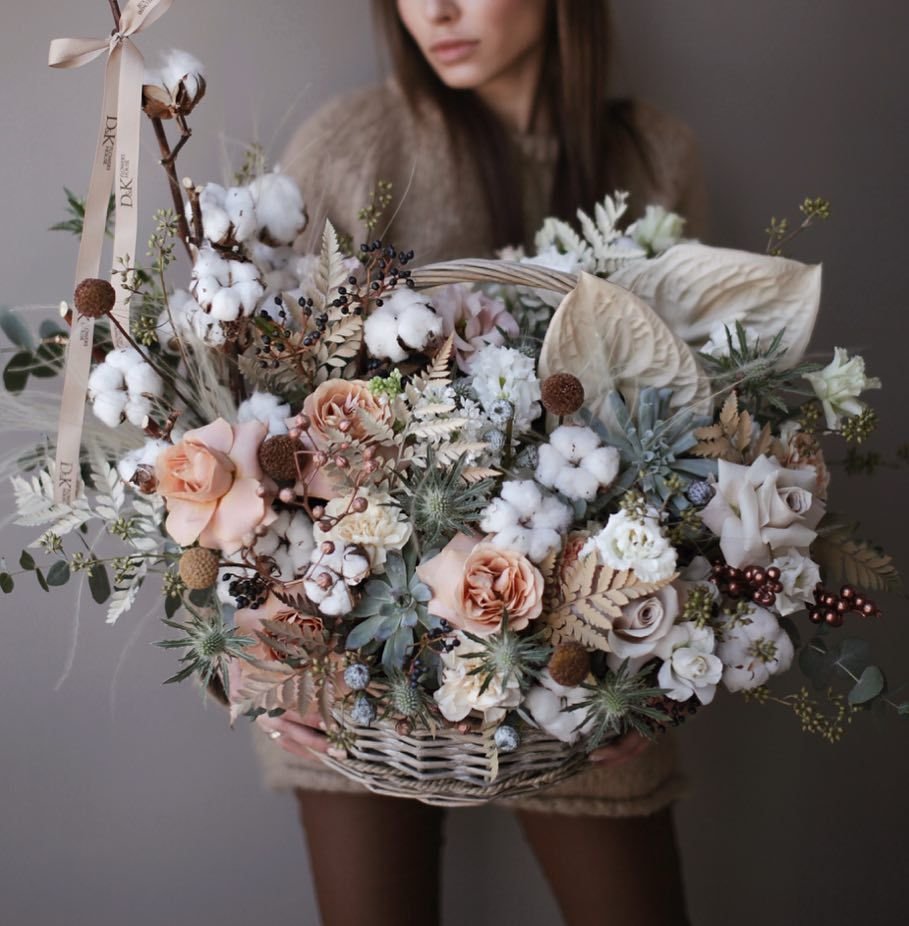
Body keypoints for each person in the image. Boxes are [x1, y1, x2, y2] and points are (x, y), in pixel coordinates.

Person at [245, 2, 705, 923]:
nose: (437, 11)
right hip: (359, 657)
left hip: (584, 652)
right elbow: (258, 414)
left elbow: (699, 426)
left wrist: (660, 670)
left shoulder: (651, 158)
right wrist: (264, 636)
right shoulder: (352, 147)